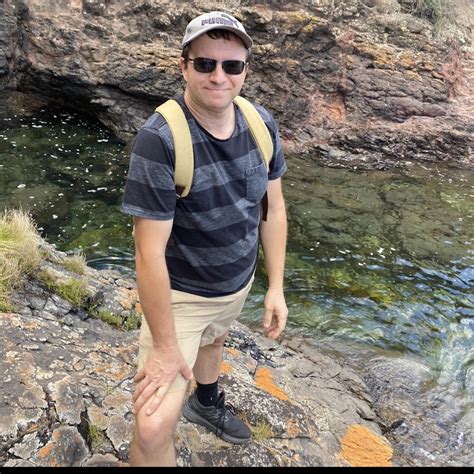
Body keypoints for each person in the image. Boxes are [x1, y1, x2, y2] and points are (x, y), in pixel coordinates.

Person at [121, 10, 288, 467]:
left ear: (245, 70)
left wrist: (275, 286)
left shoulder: (260, 124)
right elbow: (148, 253)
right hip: (181, 299)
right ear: (183, 66)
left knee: (215, 341)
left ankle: (206, 401)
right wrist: (165, 347)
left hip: (237, 284)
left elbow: (272, 210)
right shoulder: (160, 139)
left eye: (231, 65)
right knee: (152, 429)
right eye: (205, 63)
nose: (219, 76)